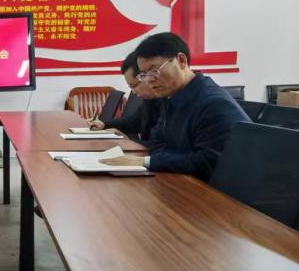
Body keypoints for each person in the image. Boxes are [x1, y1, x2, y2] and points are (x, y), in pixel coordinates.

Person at [101, 33, 249, 180]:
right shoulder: (170, 96)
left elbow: (208, 161)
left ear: (181, 60)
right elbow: (156, 142)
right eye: (143, 75)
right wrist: (171, 158)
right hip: (181, 179)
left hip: (212, 189)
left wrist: (147, 161)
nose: (149, 80)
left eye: (154, 71)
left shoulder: (213, 103)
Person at [88, 51, 161, 142]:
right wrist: (104, 125)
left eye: (134, 85)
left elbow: (160, 144)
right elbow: (132, 122)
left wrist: (127, 140)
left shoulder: (169, 102)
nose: (133, 92)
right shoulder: (150, 101)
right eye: (131, 87)